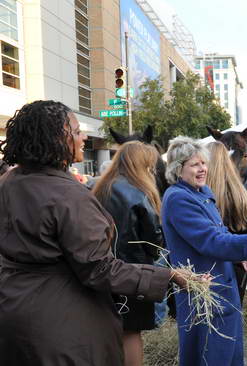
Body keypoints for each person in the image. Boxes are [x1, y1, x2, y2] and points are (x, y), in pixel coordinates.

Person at [0, 100, 196, 366]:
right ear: (59, 137)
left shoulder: (8, 182)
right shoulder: (69, 196)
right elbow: (99, 269)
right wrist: (167, 275)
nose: (83, 138)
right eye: (78, 131)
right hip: (62, 330)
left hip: (13, 315)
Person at [161, 136, 247, 366]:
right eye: (194, 164)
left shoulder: (200, 193)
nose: (203, 168)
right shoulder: (178, 199)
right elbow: (212, 241)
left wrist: (243, 254)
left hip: (221, 291)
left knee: (228, 354)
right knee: (211, 355)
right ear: (178, 169)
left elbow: (222, 233)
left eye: (203, 163)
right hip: (204, 293)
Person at [92, 140, 165, 366]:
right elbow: (154, 242)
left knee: (108, 333)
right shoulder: (138, 193)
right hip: (134, 272)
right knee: (131, 333)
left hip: (102, 269)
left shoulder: (100, 188)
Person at [205, 141, 247, 305]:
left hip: (208, 267)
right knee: (232, 315)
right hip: (237, 265)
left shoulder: (201, 195)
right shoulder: (241, 193)